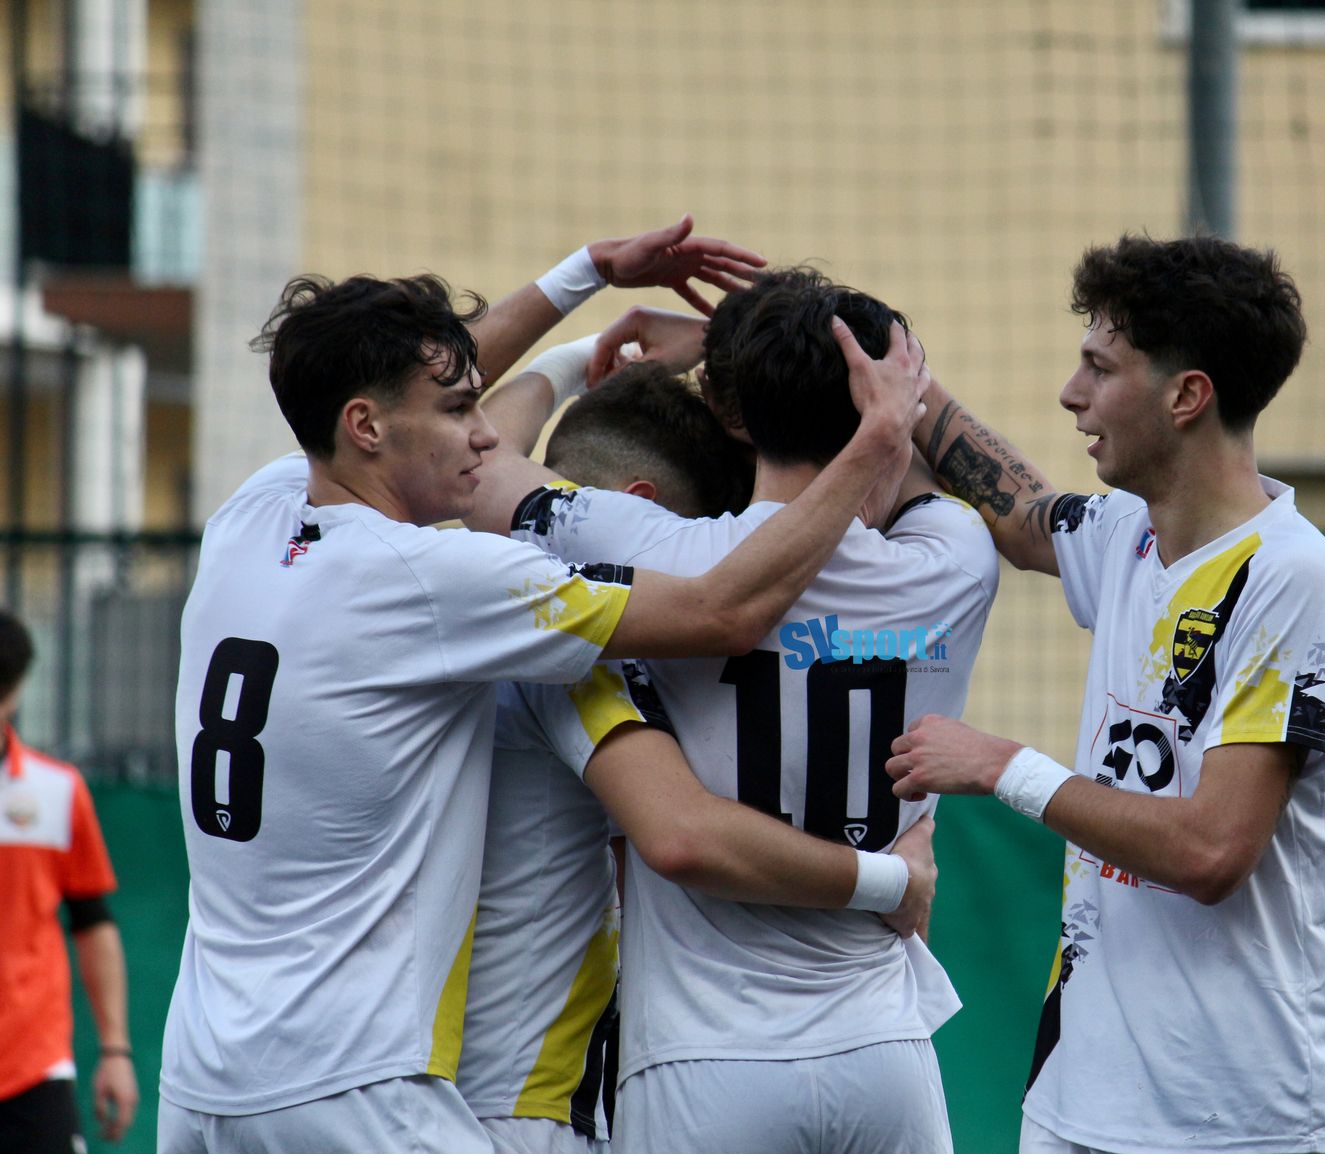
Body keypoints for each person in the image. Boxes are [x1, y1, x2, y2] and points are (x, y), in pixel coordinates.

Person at [157, 220, 930, 1154]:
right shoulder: (444, 582)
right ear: (364, 427)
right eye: (458, 412)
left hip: (200, 1070)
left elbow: (408, 402)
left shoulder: (254, 513)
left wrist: (584, 294)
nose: (486, 433)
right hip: (352, 1084)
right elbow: (722, 614)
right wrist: (875, 442)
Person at [468, 268, 1002, 1154]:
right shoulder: (955, 561)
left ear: (727, 410)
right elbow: (923, 468)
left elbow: (482, 457)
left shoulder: (656, 550)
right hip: (885, 1049)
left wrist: (588, 354)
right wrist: (880, 400)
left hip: (706, 1059)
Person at [883, 234, 1325, 1154]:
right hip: (1078, 1100)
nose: (1071, 394)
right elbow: (1020, 513)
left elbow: (1211, 851)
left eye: (1100, 368)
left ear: (1187, 397)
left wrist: (1003, 767)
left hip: (1242, 1122)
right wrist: (885, 366)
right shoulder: (1129, 536)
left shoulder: (1294, 579)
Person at [0, 608, 138, 1153]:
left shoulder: (55, 792)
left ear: (13, 690)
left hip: (32, 1068)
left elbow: (92, 920)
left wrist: (116, 1050)